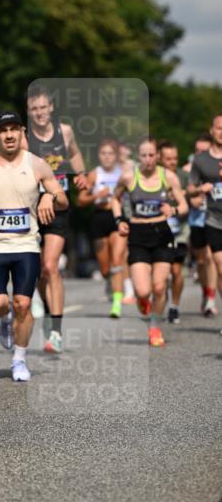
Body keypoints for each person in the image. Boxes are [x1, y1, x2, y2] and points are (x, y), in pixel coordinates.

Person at [0, 110, 68, 381]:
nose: (9, 135)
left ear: (22, 133)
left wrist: (49, 197)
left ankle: (19, 361)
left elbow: (63, 199)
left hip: (27, 245)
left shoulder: (38, 164)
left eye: (13, 129)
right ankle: (4, 319)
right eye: (3, 130)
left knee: (23, 303)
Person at [26, 86, 88, 352]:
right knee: (39, 270)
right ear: (29, 112)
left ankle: (56, 331)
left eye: (43, 107)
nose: (39, 113)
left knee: (51, 266)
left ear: (51, 108)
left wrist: (81, 173)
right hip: (32, 207)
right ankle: (50, 310)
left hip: (59, 205)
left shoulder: (65, 132)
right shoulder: (25, 139)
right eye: (34, 109)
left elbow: (73, 152)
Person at [112, 136, 187, 347]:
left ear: (158, 156)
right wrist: (120, 221)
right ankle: (143, 301)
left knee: (160, 285)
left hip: (162, 233)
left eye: (152, 155)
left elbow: (184, 206)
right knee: (144, 291)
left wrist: (172, 209)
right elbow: (114, 199)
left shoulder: (169, 177)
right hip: (137, 234)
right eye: (144, 155)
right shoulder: (128, 177)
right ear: (139, 156)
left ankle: (154, 327)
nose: (148, 159)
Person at [77, 139, 126, 317]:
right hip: (99, 218)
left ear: (116, 156)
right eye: (103, 153)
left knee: (117, 260)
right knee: (105, 268)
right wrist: (97, 194)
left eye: (110, 153)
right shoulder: (94, 175)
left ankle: (117, 305)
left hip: (117, 217)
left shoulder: (123, 174)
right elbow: (80, 200)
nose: (107, 157)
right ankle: (109, 282)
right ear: (99, 155)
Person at [188, 115, 222, 321]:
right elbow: (190, 188)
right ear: (212, 131)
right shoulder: (201, 161)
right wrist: (201, 189)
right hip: (214, 220)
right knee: (220, 266)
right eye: (219, 128)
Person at [158, 140, 190, 324]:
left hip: (179, 229)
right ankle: (158, 301)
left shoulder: (183, 176)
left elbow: (194, 193)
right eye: (168, 158)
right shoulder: (154, 176)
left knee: (177, 270)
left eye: (175, 158)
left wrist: (185, 194)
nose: (172, 162)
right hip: (159, 230)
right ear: (160, 158)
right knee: (161, 273)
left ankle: (174, 306)